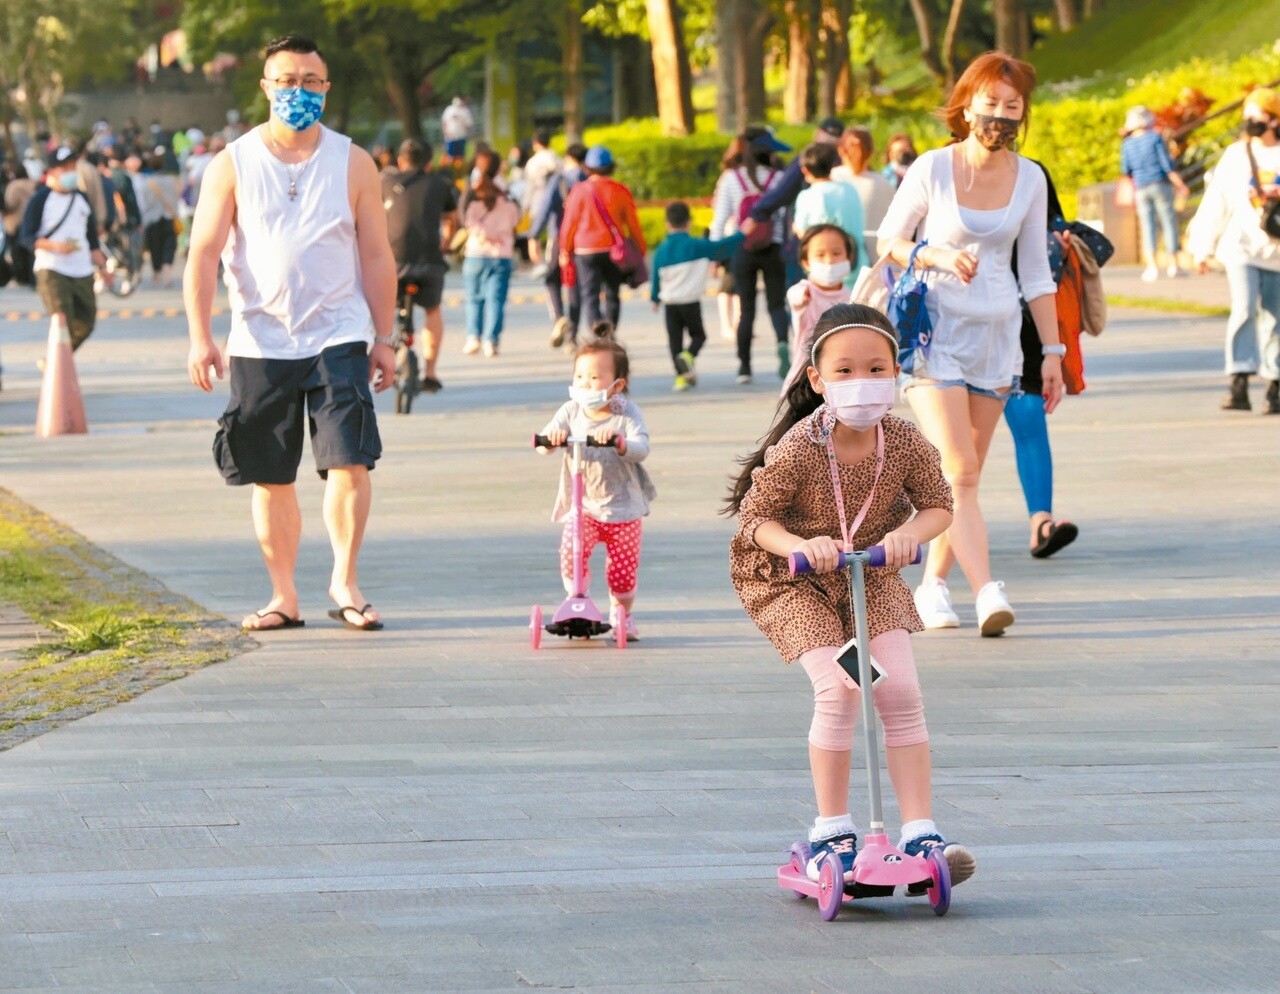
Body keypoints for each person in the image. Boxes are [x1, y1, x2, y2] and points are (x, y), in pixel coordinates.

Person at [725, 303, 974, 887]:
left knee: (900, 690)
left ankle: (919, 830)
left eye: (875, 368)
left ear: (895, 374)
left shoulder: (906, 442)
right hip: (792, 581)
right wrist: (800, 543)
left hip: (871, 574)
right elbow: (755, 520)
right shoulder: (800, 448)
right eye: (844, 371)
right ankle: (830, 830)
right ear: (816, 379)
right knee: (840, 689)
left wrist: (911, 534)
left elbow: (940, 504)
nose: (861, 382)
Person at [183, 33, 397, 634]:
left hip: (339, 337)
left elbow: (378, 256)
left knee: (351, 461)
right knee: (271, 476)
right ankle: (284, 597)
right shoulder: (232, 162)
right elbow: (202, 254)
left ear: (325, 89)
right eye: (286, 80)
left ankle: (345, 583)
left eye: (309, 81)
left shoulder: (354, 162)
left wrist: (387, 337)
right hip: (260, 341)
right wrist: (201, 335)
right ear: (265, 87)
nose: (297, 90)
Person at [876, 51, 1062, 637]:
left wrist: (1051, 353)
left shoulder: (1030, 177)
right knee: (955, 471)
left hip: (997, 337)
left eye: (1013, 106)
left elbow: (1035, 273)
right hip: (934, 334)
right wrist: (931, 254)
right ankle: (987, 591)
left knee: (966, 479)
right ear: (965, 105)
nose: (1001, 115)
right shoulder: (932, 168)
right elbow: (889, 240)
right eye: (991, 102)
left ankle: (932, 587)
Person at [538, 322, 655, 641]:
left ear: (617, 385)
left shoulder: (626, 414)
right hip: (584, 506)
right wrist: (552, 439)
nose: (585, 384)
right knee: (571, 551)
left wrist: (619, 443)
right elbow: (543, 443)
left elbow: (641, 447)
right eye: (579, 377)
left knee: (622, 573)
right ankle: (578, 599)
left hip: (623, 509)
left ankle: (624, 615)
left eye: (594, 377)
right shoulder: (570, 411)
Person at [1187, 86, 1280, 415]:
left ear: (1273, 119)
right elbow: (1216, 203)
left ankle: (1275, 383)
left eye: (1256, 116)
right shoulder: (1235, 156)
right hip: (1240, 247)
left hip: (1276, 251)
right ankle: (1239, 379)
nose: (1249, 122)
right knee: (1243, 308)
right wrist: (1202, 247)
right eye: (1246, 116)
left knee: (1275, 318)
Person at [711, 126, 792, 383]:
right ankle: (782, 344)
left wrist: (716, 253)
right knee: (777, 305)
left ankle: (744, 368)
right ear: (769, 153)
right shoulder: (779, 179)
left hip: (742, 250)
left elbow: (720, 219)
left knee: (746, 310)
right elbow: (783, 217)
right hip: (774, 247)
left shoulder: (731, 179)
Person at [382, 137, 458, 391]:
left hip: (392, 263)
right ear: (429, 162)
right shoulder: (440, 184)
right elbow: (451, 218)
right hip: (429, 262)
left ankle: (385, 359)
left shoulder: (385, 182)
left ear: (401, 160)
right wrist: (446, 242)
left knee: (380, 309)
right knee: (432, 311)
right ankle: (431, 373)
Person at [18, 146, 110, 351]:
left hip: (82, 269)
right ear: (51, 171)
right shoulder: (40, 199)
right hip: (52, 268)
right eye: (65, 168)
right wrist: (54, 246)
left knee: (86, 322)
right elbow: (26, 236)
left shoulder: (81, 198)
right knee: (62, 321)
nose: (71, 173)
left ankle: (56, 361)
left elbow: (92, 240)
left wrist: (103, 268)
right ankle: (57, 367)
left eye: (73, 167)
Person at [649, 201, 744, 391]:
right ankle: (688, 356)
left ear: (668, 224)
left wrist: (655, 298)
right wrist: (742, 234)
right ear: (688, 223)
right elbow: (722, 247)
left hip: (670, 303)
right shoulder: (696, 246)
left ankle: (680, 378)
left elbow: (655, 277)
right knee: (698, 336)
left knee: (674, 340)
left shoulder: (660, 251)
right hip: (690, 301)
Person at [559, 145, 645, 332]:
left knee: (590, 294)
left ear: (587, 167)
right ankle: (610, 331)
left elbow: (569, 224)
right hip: (614, 250)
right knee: (613, 292)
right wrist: (641, 249)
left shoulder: (579, 191)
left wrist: (565, 250)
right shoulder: (621, 190)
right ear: (611, 167)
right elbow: (633, 225)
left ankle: (597, 327)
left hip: (585, 251)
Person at [779, 224, 858, 394]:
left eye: (836, 253)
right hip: (803, 384)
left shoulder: (854, 297)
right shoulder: (804, 292)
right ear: (805, 262)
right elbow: (795, 296)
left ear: (849, 257)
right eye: (820, 255)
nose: (829, 260)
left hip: (841, 386)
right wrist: (802, 298)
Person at [459, 149, 520, 358]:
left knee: (474, 298)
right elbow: (516, 218)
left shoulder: (473, 191)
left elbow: (464, 218)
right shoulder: (508, 192)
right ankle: (490, 341)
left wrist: (484, 233)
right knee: (496, 300)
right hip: (501, 253)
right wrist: (498, 233)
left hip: (476, 252)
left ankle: (473, 337)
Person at [1120, 105, 1190, 282]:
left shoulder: (1127, 144)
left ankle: (1152, 266)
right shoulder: (1154, 138)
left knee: (1148, 226)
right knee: (1168, 222)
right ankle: (1174, 264)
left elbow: (1126, 169)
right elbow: (1167, 165)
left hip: (1141, 187)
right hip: (1160, 184)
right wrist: (1180, 184)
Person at [532, 142, 587, 349]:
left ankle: (559, 317)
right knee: (575, 286)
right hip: (582, 241)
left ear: (568, 158)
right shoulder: (588, 180)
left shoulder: (559, 179)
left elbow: (545, 207)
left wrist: (534, 235)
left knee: (552, 279)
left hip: (558, 238)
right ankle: (572, 337)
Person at [792, 143, 868, 274]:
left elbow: (803, 232)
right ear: (833, 165)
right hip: (856, 262)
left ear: (805, 170)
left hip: (825, 269)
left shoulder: (807, 196)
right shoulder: (849, 189)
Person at [831, 126, 897, 249]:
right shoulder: (883, 183)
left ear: (841, 150)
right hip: (876, 252)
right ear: (871, 152)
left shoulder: (831, 179)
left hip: (838, 251)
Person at [138, 151, 180, 287]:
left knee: (155, 247)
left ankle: (157, 273)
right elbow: (175, 199)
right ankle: (167, 273)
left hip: (152, 219)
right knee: (169, 245)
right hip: (169, 217)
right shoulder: (171, 181)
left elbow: (143, 202)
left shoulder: (146, 182)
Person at [522, 129, 560, 270]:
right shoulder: (557, 159)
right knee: (553, 231)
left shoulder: (533, 162)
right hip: (556, 201)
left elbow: (530, 186)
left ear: (536, 143)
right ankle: (552, 258)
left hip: (537, 200)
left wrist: (525, 205)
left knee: (535, 233)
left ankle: (539, 262)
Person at [441, 96, 475, 164]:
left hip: (461, 136)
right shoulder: (449, 110)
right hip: (450, 137)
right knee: (450, 156)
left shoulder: (465, 111)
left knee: (460, 155)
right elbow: (444, 122)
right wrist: (446, 133)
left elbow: (469, 123)